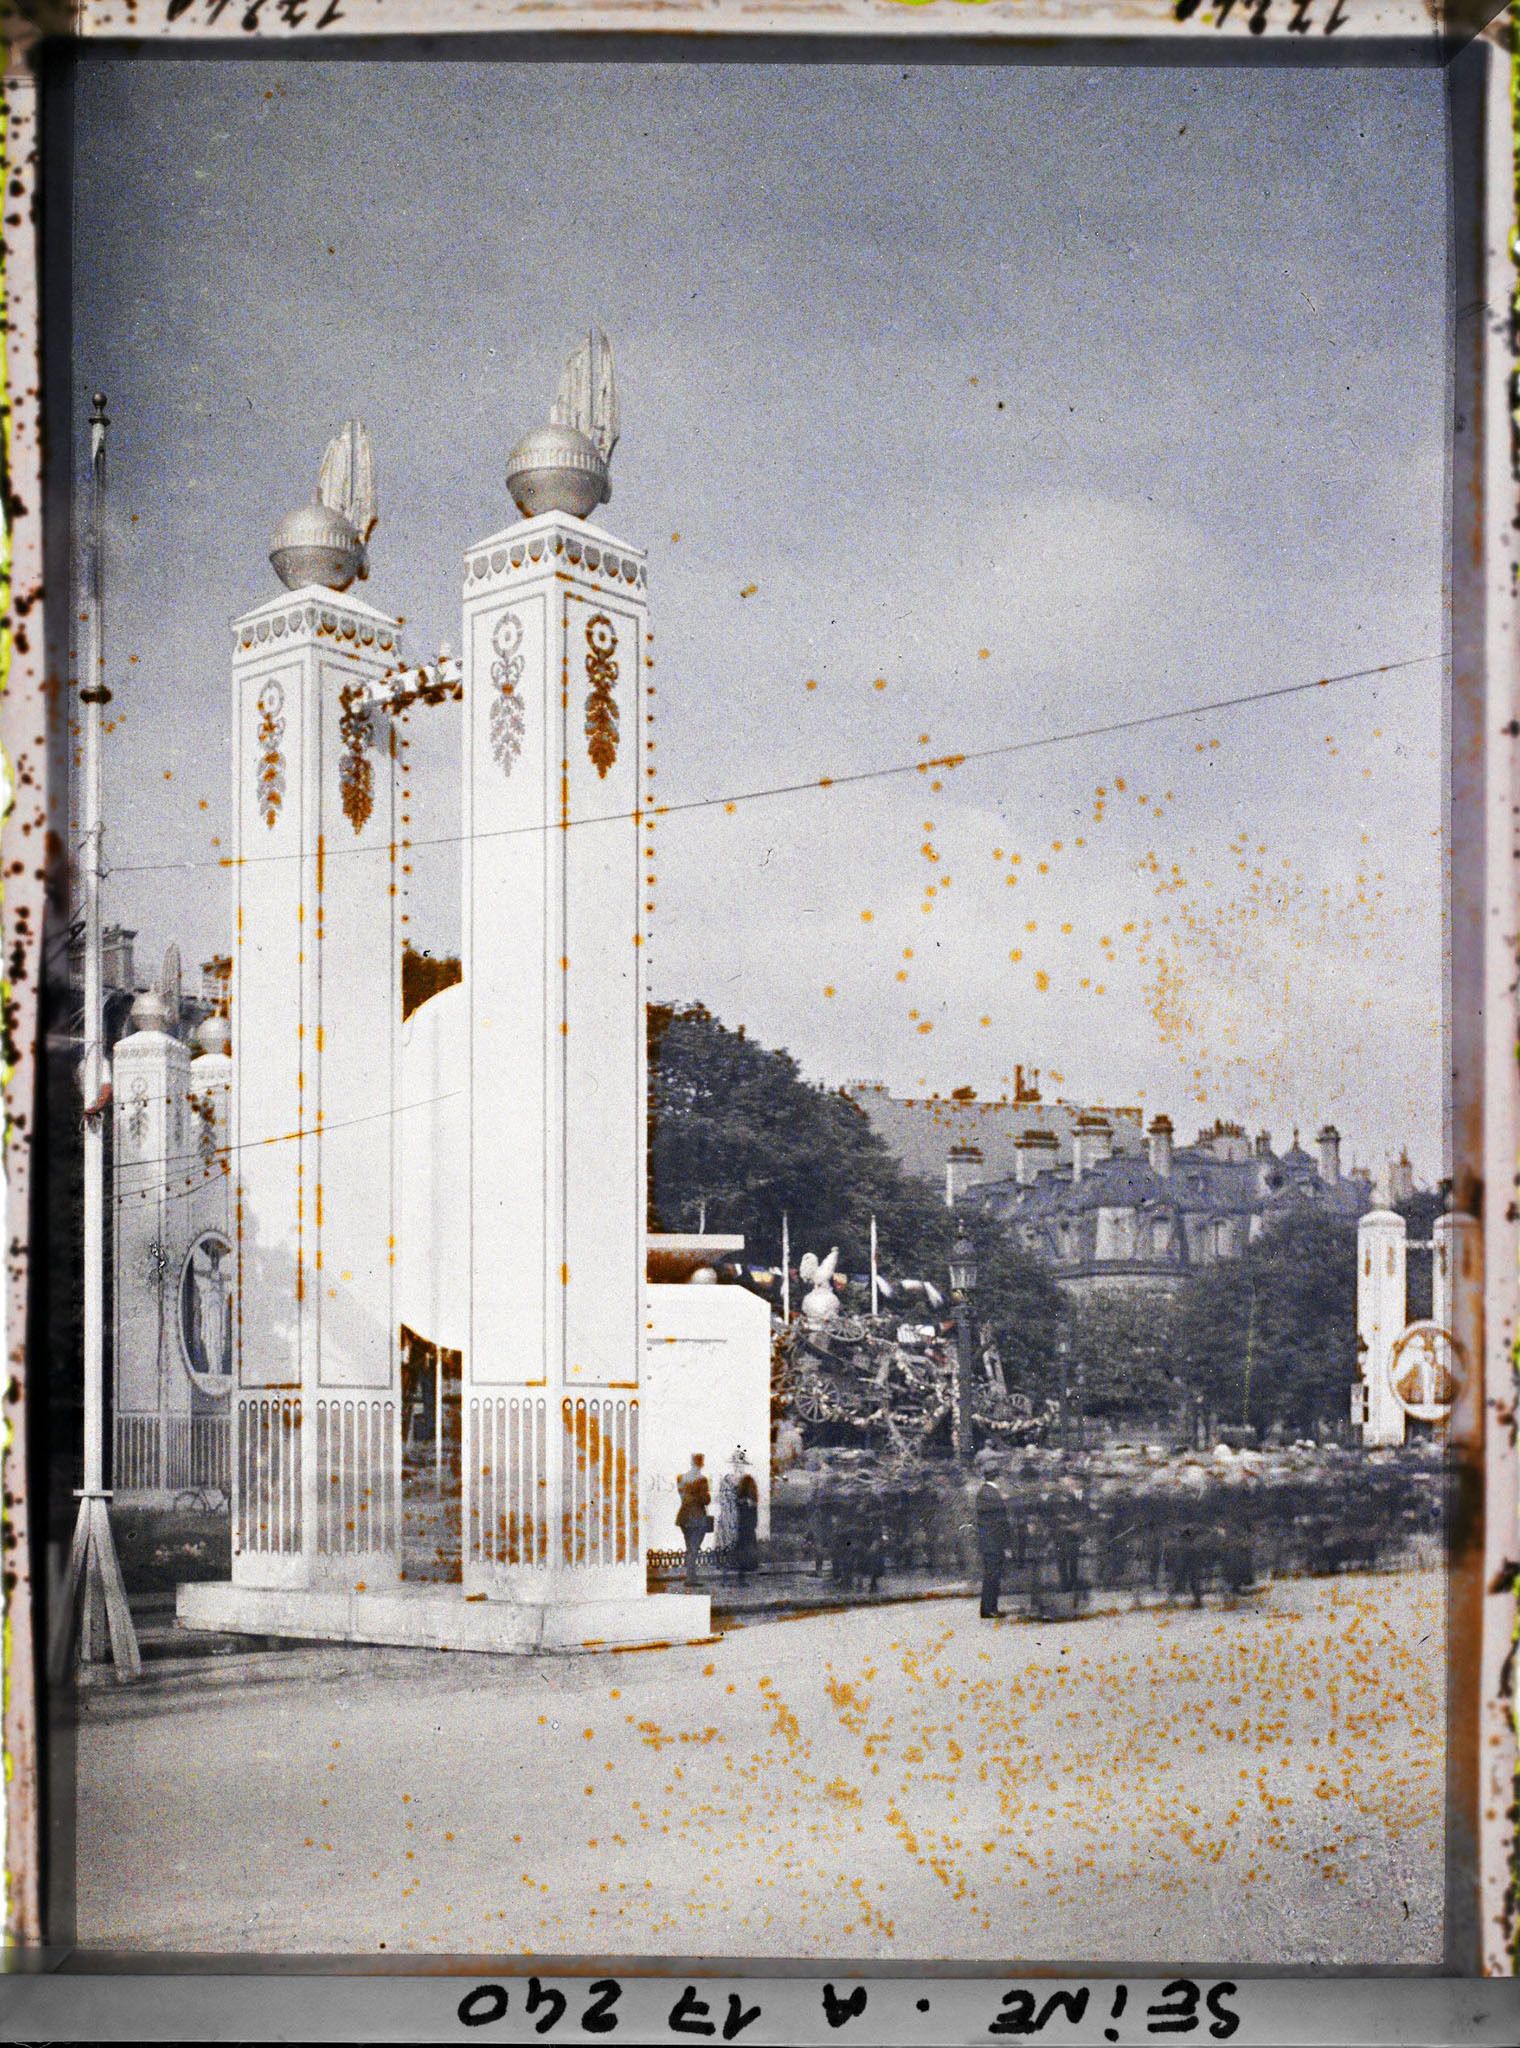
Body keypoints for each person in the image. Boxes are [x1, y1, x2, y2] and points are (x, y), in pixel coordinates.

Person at [975, 1464, 1012, 1619]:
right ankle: (989, 1609)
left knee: (992, 1575)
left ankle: (990, 1607)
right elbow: (1000, 1522)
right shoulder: (990, 1493)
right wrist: (1006, 1545)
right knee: (992, 1576)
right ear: (998, 1477)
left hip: (990, 1542)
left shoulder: (986, 1492)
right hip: (993, 1542)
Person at [675, 1453, 711, 1588]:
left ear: (691, 1462)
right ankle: (691, 1578)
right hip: (697, 1517)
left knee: (689, 1546)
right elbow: (706, 1500)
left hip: (684, 1516)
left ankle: (691, 1575)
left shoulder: (681, 1478)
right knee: (694, 1548)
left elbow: (682, 1496)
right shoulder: (702, 1480)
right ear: (702, 1464)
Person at [734, 1458, 760, 1580]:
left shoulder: (747, 1481)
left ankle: (745, 1564)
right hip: (749, 1520)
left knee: (745, 1541)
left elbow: (746, 1502)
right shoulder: (748, 1483)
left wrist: (741, 1501)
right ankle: (750, 1563)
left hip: (746, 1519)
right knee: (749, 1541)